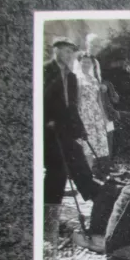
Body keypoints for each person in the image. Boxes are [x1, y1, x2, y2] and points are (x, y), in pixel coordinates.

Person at [44, 36, 100, 205]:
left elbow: (73, 107)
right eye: (66, 51)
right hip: (48, 130)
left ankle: (98, 200)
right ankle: (49, 216)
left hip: (66, 129)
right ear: (56, 50)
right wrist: (47, 120)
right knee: (57, 171)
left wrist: (80, 129)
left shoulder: (72, 77)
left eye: (72, 52)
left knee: (80, 163)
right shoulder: (45, 71)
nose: (70, 55)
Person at [75, 52, 110, 178]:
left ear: (91, 64)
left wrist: (104, 117)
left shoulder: (94, 80)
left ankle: (91, 172)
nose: (85, 64)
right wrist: (77, 117)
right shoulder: (77, 78)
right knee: (86, 143)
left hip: (95, 114)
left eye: (88, 62)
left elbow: (98, 100)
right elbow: (77, 100)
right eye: (83, 61)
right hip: (84, 113)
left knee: (97, 143)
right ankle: (85, 173)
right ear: (79, 62)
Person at [85, 33, 120, 158]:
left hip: (99, 100)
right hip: (87, 102)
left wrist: (102, 86)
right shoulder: (82, 60)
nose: (96, 48)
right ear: (87, 44)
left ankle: (105, 163)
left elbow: (96, 80)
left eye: (98, 45)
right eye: (94, 45)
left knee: (108, 129)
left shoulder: (96, 62)